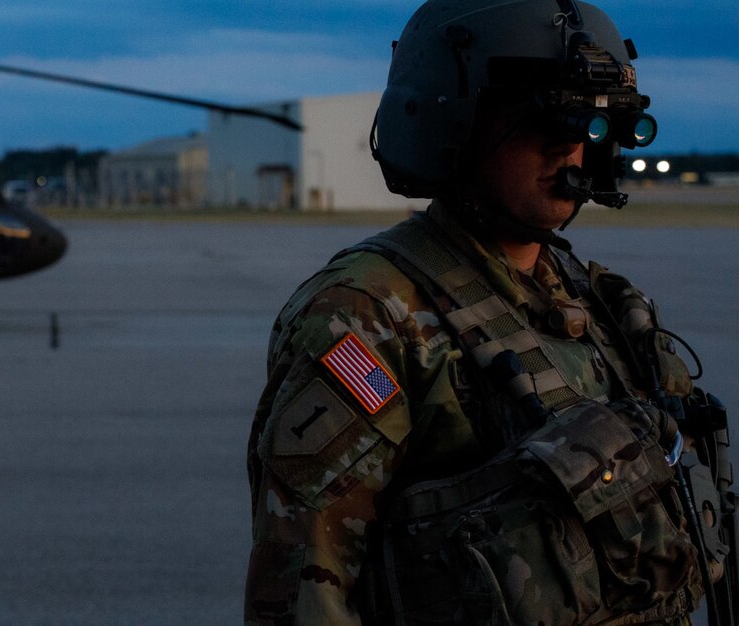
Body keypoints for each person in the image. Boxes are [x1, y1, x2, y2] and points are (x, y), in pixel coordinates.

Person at [245, 1, 736, 624]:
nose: (571, 147)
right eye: (541, 119)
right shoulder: (369, 316)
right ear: (454, 127)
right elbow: (302, 595)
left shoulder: (602, 304)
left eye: (589, 123)